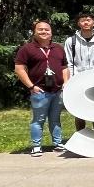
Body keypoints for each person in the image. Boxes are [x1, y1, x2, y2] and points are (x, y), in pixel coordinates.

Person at [15, 20, 69, 155]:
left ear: (51, 33)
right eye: (40, 29)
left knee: (55, 119)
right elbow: (19, 69)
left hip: (57, 90)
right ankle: (37, 146)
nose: (44, 32)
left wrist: (66, 82)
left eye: (47, 30)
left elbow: (64, 67)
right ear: (34, 32)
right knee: (38, 120)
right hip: (39, 91)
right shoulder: (26, 49)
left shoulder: (58, 48)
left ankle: (58, 144)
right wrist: (31, 86)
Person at [64, 12, 94, 132]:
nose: (85, 22)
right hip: (78, 80)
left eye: (88, 20)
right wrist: (70, 80)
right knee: (79, 110)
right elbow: (69, 62)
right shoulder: (71, 41)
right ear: (78, 23)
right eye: (82, 20)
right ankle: (81, 136)